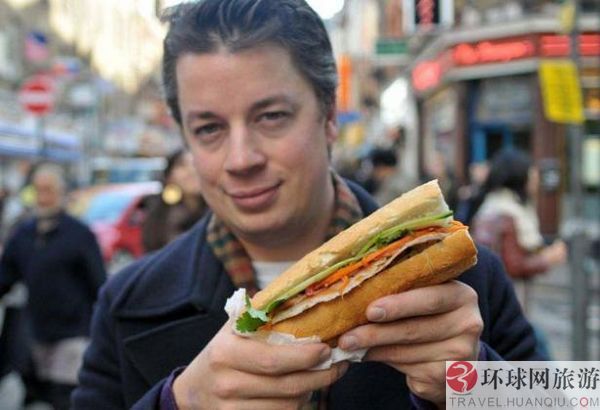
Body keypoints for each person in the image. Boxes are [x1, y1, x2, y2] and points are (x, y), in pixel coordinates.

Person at [72, 1, 544, 409]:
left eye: (271, 116)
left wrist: (474, 382)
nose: (241, 159)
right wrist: (178, 402)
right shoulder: (126, 303)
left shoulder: (469, 276)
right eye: (209, 129)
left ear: (329, 116)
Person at [0, 163, 107, 410]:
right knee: (36, 393)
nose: (42, 197)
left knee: (65, 397)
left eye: (48, 190)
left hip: (72, 333)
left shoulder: (79, 234)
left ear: (61, 192)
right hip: (36, 331)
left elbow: (99, 285)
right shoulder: (23, 234)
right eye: (37, 190)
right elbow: (6, 277)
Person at [470, 149, 567, 312]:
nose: (535, 179)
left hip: (494, 296)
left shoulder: (493, 206)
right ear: (520, 177)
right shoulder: (508, 214)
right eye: (531, 174)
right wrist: (549, 258)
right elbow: (513, 265)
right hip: (508, 300)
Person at [142, 149, 206, 253]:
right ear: (169, 176)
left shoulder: (217, 212)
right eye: (182, 166)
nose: (191, 171)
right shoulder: (159, 213)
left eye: (195, 164)